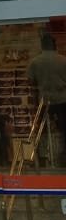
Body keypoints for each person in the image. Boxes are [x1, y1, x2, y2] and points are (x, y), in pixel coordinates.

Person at [27, 34, 66, 167]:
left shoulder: (35, 61)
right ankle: (64, 157)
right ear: (54, 45)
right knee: (64, 130)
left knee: (41, 132)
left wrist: (34, 104)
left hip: (44, 101)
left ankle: (41, 159)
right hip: (62, 100)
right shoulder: (63, 60)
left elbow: (31, 83)